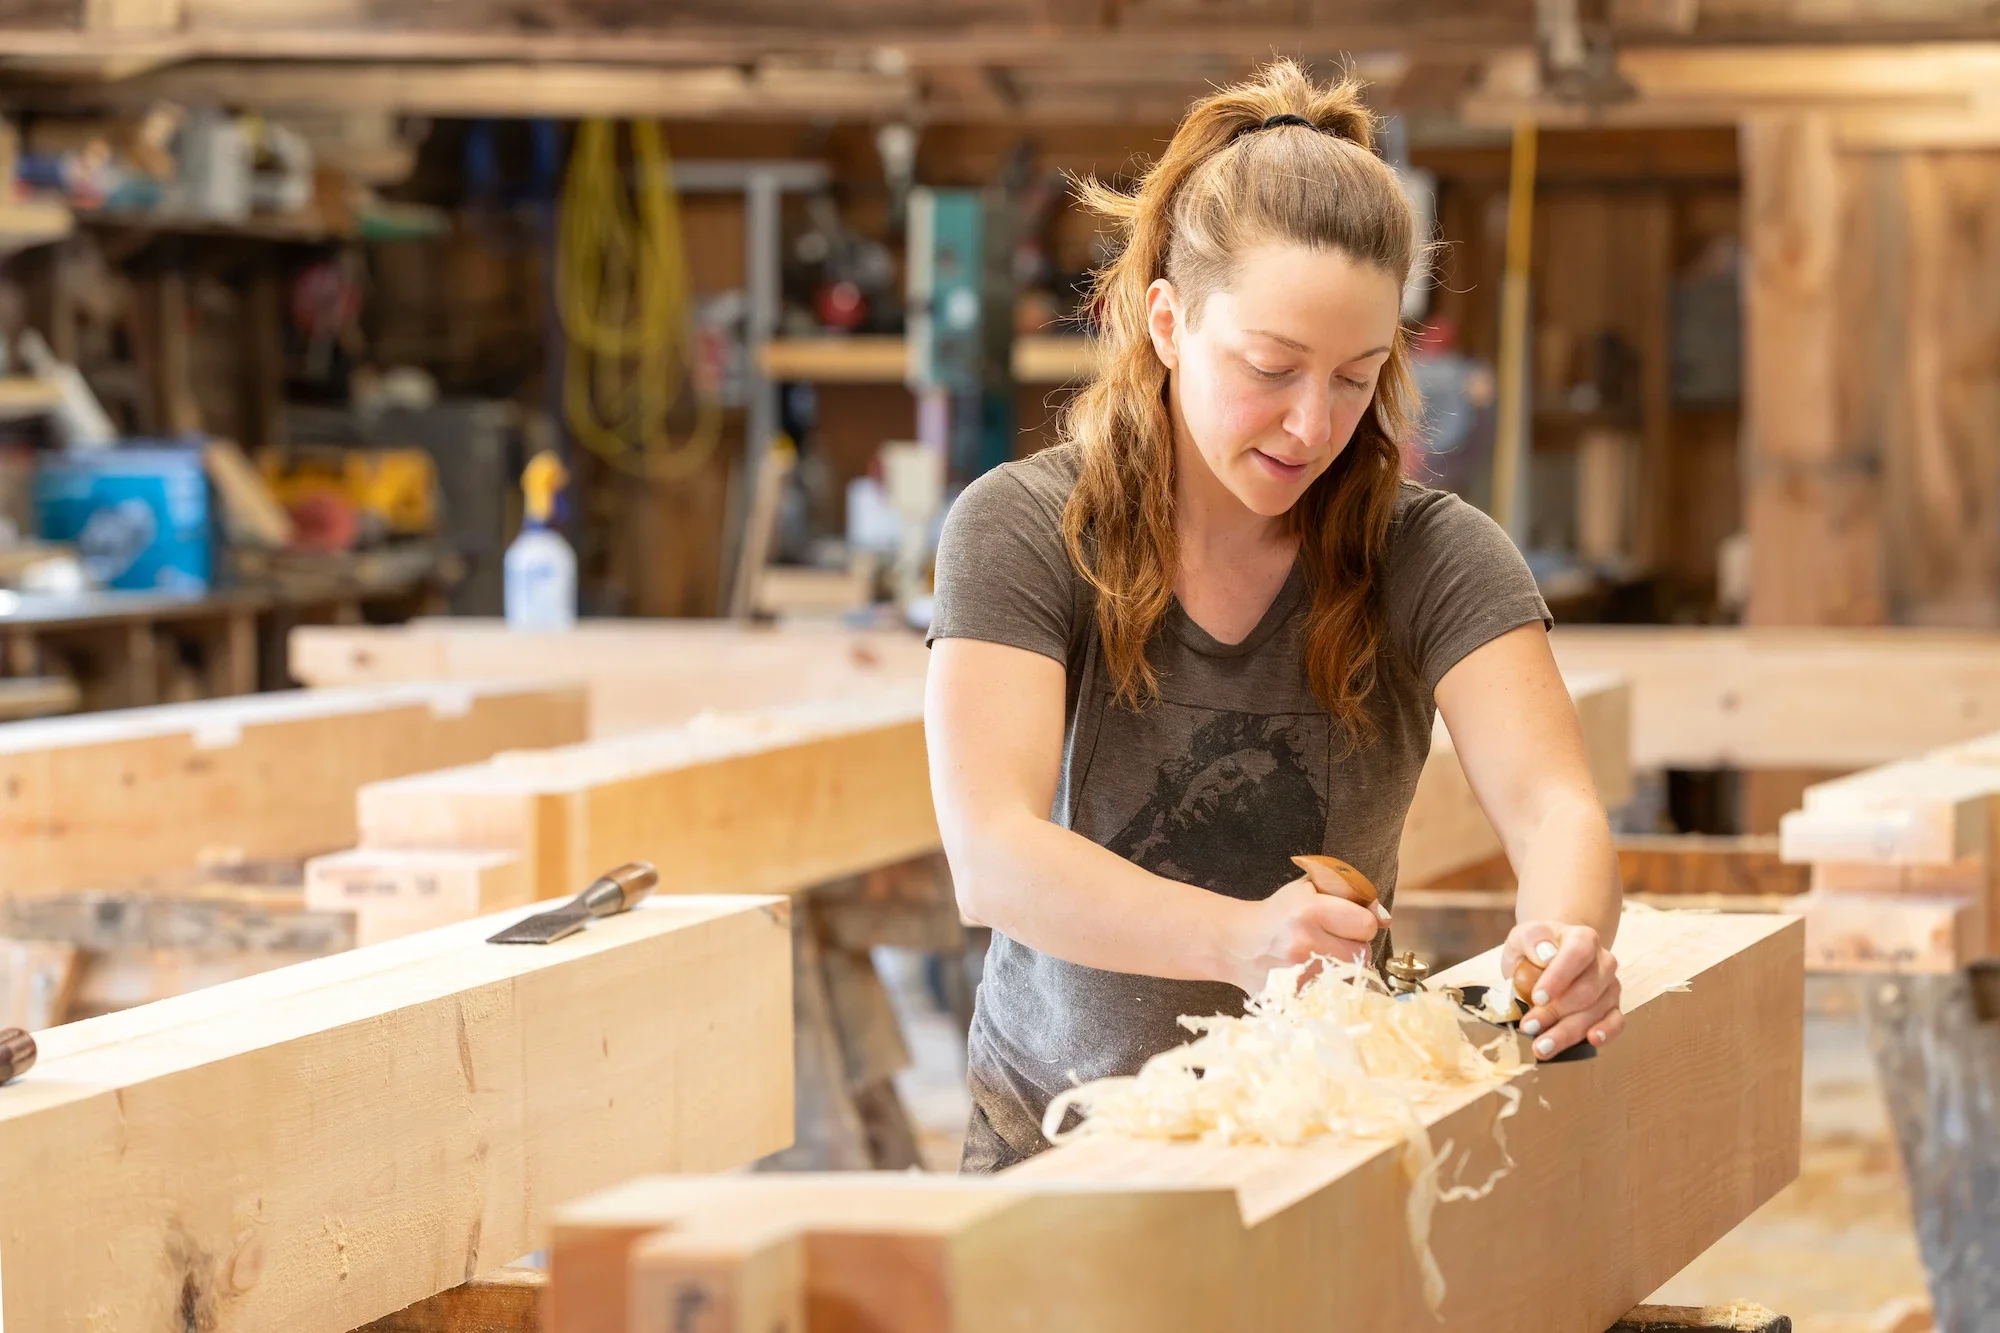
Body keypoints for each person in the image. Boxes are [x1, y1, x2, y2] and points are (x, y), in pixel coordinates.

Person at [925, 61, 1624, 1175]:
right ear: (1164, 320)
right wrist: (1240, 938)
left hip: (1323, 1150)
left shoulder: (1431, 553)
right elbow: (992, 856)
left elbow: (1552, 809)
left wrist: (1563, 936)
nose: (1311, 424)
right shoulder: (1019, 529)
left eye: (1356, 377)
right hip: (1058, 1146)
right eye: (1270, 367)